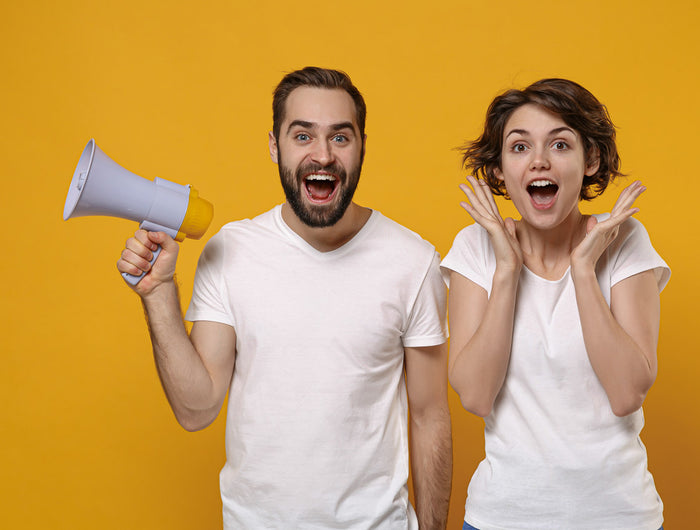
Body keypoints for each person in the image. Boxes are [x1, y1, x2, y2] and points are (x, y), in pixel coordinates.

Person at [117, 67, 452, 529]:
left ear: (362, 147)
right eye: (302, 136)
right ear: (274, 146)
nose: (322, 155)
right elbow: (197, 410)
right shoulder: (232, 251)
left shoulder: (413, 260)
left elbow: (430, 416)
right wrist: (157, 295)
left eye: (340, 137)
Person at [441, 78, 669, 530]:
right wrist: (506, 269)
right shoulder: (476, 247)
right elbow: (475, 394)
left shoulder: (624, 240)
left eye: (560, 145)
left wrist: (584, 270)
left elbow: (627, 394)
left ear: (591, 161)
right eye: (519, 147)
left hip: (620, 517)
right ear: (500, 169)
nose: (539, 161)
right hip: (500, 518)